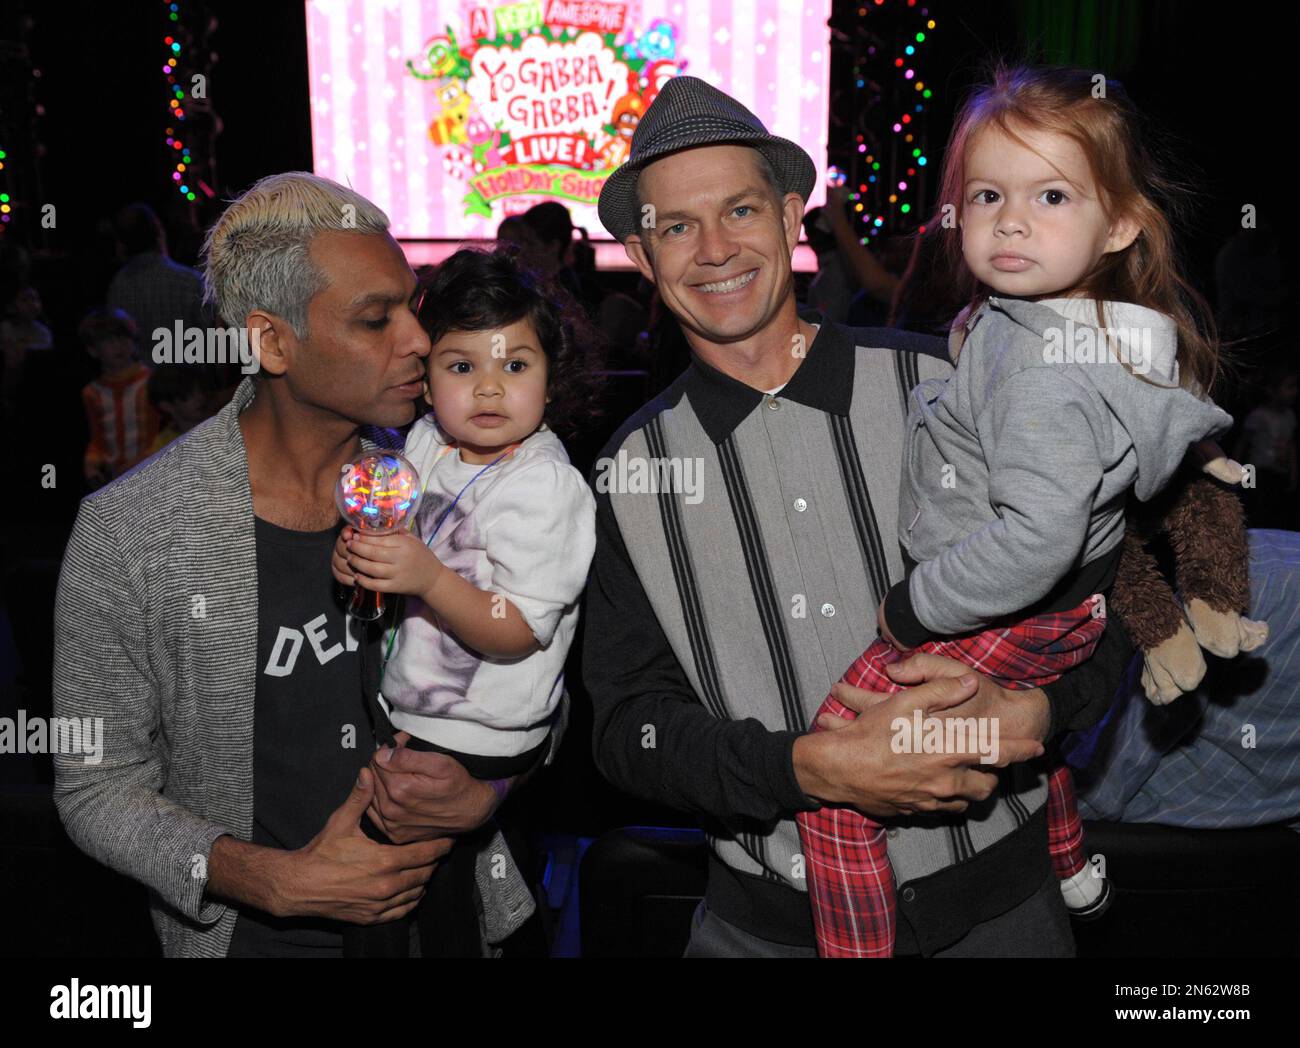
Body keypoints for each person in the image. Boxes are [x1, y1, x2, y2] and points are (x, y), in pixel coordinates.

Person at [583, 75, 1135, 959]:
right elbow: (627, 732)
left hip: (1010, 914)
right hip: (768, 931)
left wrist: (1043, 709)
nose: (715, 248)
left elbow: (1116, 584)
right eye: (676, 227)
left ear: (793, 218)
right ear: (642, 258)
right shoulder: (626, 474)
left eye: (741, 211)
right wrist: (806, 770)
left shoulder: (953, 383)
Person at [795, 64, 1233, 957]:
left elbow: (1037, 538)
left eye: (1052, 196)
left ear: (1118, 224)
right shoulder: (1064, 321)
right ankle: (1069, 858)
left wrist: (912, 607)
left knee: (837, 780)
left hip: (1006, 607)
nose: (1013, 220)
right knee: (1011, 721)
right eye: (989, 193)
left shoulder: (1043, 378)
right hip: (1063, 609)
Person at [52, 172, 547, 958]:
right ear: (271, 341)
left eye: (410, 309)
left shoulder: (455, 486)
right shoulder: (132, 531)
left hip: (449, 922)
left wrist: (489, 787)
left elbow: (537, 684)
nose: (419, 342)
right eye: (374, 319)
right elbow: (95, 785)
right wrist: (270, 879)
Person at [331, 247, 598, 954]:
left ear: (551, 376)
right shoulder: (426, 443)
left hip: (487, 737)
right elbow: (399, 536)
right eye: (461, 367)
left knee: (466, 914)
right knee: (403, 898)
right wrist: (364, 558)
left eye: (514, 366)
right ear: (426, 377)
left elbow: (517, 633)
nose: (488, 390)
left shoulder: (545, 488)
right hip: (410, 713)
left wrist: (426, 578)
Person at [77, 306, 160, 488]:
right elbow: (98, 440)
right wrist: (91, 464)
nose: (118, 345)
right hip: (115, 481)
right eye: (108, 341)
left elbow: (162, 435)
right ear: (93, 350)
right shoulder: (93, 392)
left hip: (152, 474)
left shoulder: (151, 382)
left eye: (123, 338)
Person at [1233, 362, 1298, 530]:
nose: (1294, 392)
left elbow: (1291, 446)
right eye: (1289, 386)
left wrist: (1293, 473)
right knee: (1254, 509)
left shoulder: (1290, 416)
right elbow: (1243, 444)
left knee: (1276, 512)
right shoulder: (1258, 415)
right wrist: (1235, 473)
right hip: (1256, 471)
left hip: (1279, 472)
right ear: (1272, 390)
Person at [145, 363, 210, 453]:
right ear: (167, 406)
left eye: (201, 390)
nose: (200, 398)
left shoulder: (222, 423)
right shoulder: (164, 446)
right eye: (188, 395)